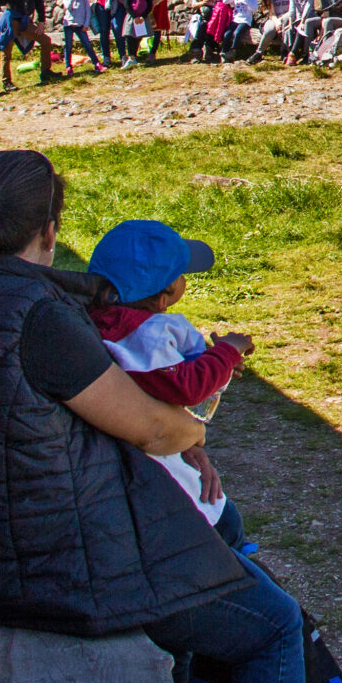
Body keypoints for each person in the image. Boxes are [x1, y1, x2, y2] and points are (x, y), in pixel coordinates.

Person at [0, 152, 307, 683]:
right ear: (50, 231)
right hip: (61, 574)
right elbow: (153, 429)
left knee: (215, 544)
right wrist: (195, 438)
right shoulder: (36, 313)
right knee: (275, 627)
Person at [83, 221, 265, 566]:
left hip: (143, 460)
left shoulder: (96, 321)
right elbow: (187, 385)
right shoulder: (146, 335)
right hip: (165, 478)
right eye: (183, 274)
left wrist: (216, 364)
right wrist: (227, 351)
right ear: (165, 291)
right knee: (227, 529)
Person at [59, 0, 107, 75]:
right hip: (69, 24)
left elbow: (87, 11)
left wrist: (86, 24)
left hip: (80, 25)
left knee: (87, 44)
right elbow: (68, 7)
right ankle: (68, 66)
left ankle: (96, 63)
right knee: (68, 45)